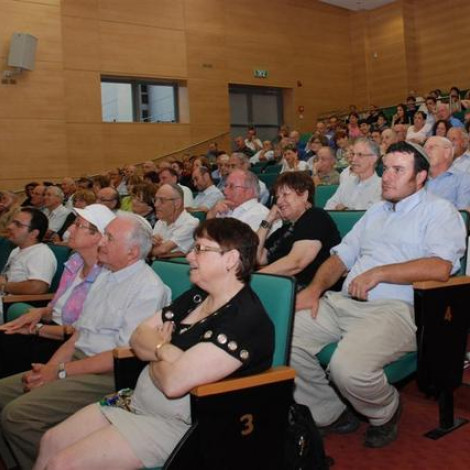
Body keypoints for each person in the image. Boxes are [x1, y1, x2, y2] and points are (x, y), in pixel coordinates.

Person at [33, 218, 275, 470]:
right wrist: (165, 349)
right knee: (51, 440)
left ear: (231, 259)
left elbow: (173, 384)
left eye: (200, 249)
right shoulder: (197, 296)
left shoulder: (245, 320)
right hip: (134, 401)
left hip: (179, 425)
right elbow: (138, 336)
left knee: (62, 464)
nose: (189, 256)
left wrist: (155, 349)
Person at [293, 141, 466, 448]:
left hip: (395, 309)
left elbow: (441, 267)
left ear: (420, 177)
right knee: (285, 337)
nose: (387, 176)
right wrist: (314, 290)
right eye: (386, 169)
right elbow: (341, 257)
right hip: (343, 303)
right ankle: (330, 412)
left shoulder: (439, 211)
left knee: (348, 369)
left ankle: (385, 410)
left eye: (398, 170)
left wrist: (379, 273)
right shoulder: (376, 211)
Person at [0, 213, 171, 470]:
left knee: (18, 416)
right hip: (77, 362)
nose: (101, 242)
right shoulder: (105, 275)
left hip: (108, 373)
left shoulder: (147, 289)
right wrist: (49, 370)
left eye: (109, 238)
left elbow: (122, 355)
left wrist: (60, 372)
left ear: (132, 252)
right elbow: (79, 335)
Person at [0, 205, 116, 378]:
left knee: (8, 347)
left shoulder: (107, 276)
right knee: (6, 336)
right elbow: (56, 307)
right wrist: (40, 312)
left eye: (78, 225)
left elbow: (79, 331)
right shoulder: (75, 261)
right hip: (50, 329)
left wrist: (37, 329)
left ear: (98, 236)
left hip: (69, 342)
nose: (69, 229)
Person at [256, 172, 340, 291]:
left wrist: (253, 279)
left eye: (285, 195)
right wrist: (268, 220)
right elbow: (258, 258)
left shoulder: (316, 217)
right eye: (277, 197)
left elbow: (296, 263)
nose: (278, 202)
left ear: (304, 195)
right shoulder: (285, 229)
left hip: (310, 292)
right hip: (283, 289)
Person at [0, 208, 57, 296]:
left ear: (33, 233)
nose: (10, 227)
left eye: (18, 224)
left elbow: (38, 287)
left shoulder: (41, 253)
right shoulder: (16, 250)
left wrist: (4, 286)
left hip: (13, 302)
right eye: (12, 222)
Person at [207, 169, 277, 232]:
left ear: (249, 192)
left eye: (231, 186)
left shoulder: (260, 215)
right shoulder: (224, 207)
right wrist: (211, 214)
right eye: (225, 186)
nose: (225, 191)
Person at [325, 138, 382, 210]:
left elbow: (372, 214)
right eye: (353, 154)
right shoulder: (346, 183)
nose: (354, 159)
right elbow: (328, 207)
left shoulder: (381, 187)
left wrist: (345, 210)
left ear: (373, 159)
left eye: (360, 155)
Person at [151, 184, 199, 259]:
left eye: (162, 200)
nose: (156, 204)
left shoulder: (191, 224)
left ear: (177, 203)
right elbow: (158, 251)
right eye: (155, 200)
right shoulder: (160, 222)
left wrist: (149, 251)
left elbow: (162, 250)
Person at [423, 136, 470, 209]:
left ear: (447, 153)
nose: (425, 151)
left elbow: (462, 213)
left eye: (431, 147)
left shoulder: (463, 179)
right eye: (424, 148)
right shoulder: (417, 178)